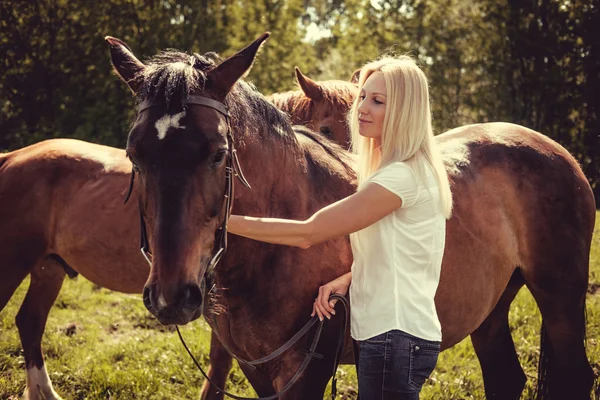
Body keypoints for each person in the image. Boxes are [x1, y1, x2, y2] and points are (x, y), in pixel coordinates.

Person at [227, 55, 453, 399]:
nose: (362, 107)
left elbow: (308, 232)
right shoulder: (402, 171)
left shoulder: (400, 177)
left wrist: (221, 221)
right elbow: (402, 254)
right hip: (393, 335)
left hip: (395, 338)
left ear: (404, 111)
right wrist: (347, 279)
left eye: (377, 101)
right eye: (363, 96)